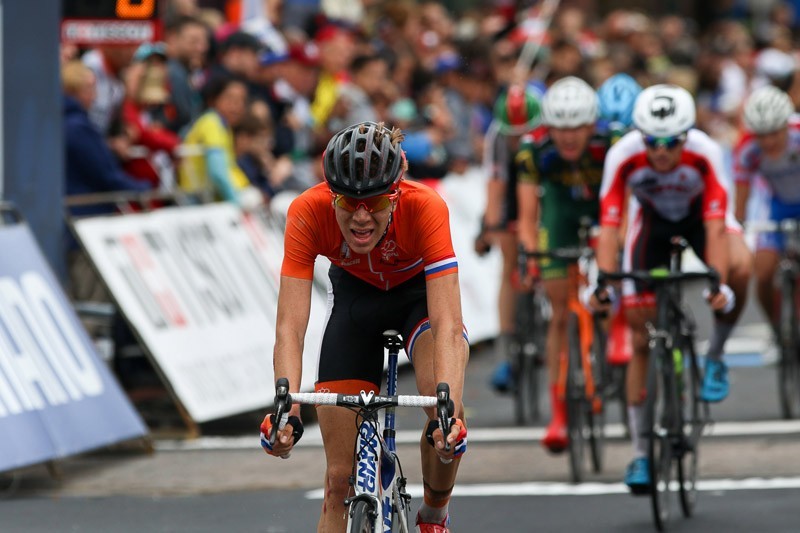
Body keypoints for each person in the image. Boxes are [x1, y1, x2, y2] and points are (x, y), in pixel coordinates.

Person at [259, 122, 469, 533]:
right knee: (339, 481)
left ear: (395, 193)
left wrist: (449, 415)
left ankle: (434, 513)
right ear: (329, 192)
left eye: (374, 202)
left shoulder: (426, 207)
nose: (359, 216)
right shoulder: (306, 210)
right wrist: (286, 410)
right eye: (345, 200)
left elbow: (448, 325)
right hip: (356, 304)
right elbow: (290, 326)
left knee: (441, 406)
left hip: (418, 302)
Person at [589, 84, 752, 493]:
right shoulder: (623, 155)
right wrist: (604, 281)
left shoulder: (706, 152)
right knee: (641, 339)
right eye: (652, 142)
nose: (660, 151)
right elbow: (610, 225)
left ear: (686, 136)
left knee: (743, 265)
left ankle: (714, 355)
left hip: (701, 219)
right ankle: (641, 453)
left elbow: (717, 226)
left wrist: (719, 284)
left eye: (670, 143)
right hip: (654, 225)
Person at [514, 76, 611, 452]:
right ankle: (558, 413)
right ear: (548, 127)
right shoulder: (533, 152)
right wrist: (530, 255)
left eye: (577, 128)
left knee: (606, 287)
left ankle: (609, 330)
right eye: (560, 128)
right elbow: (527, 217)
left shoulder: (609, 145)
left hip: (601, 211)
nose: (569, 136)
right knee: (558, 313)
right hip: (559, 216)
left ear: (592, 125)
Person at [477, 85, 542, 392]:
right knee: (508, 266)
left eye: (524, 132)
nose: (518, 139)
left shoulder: (546, 134)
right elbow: (495, 184)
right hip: (512, 189)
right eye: (512, 133)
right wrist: (489, 226)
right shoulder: (497, 137)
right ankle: (506, 352)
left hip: (540, 187)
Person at [734, 85, 800, 339]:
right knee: (761, 274)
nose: (769, 141)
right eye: (761, 135)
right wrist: (739, 227)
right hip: (777, 208)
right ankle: (777, 330)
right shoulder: (747, 150)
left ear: (786, 125)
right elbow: (741, 203)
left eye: (774, 132)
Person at [178, 75, 251, 204]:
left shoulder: (223, 126)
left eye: (241, 101)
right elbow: (217, 173)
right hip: (197, 202)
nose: (236, 106)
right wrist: (237, 203)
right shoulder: (212, 123)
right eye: (230, 99)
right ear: (213, 100)